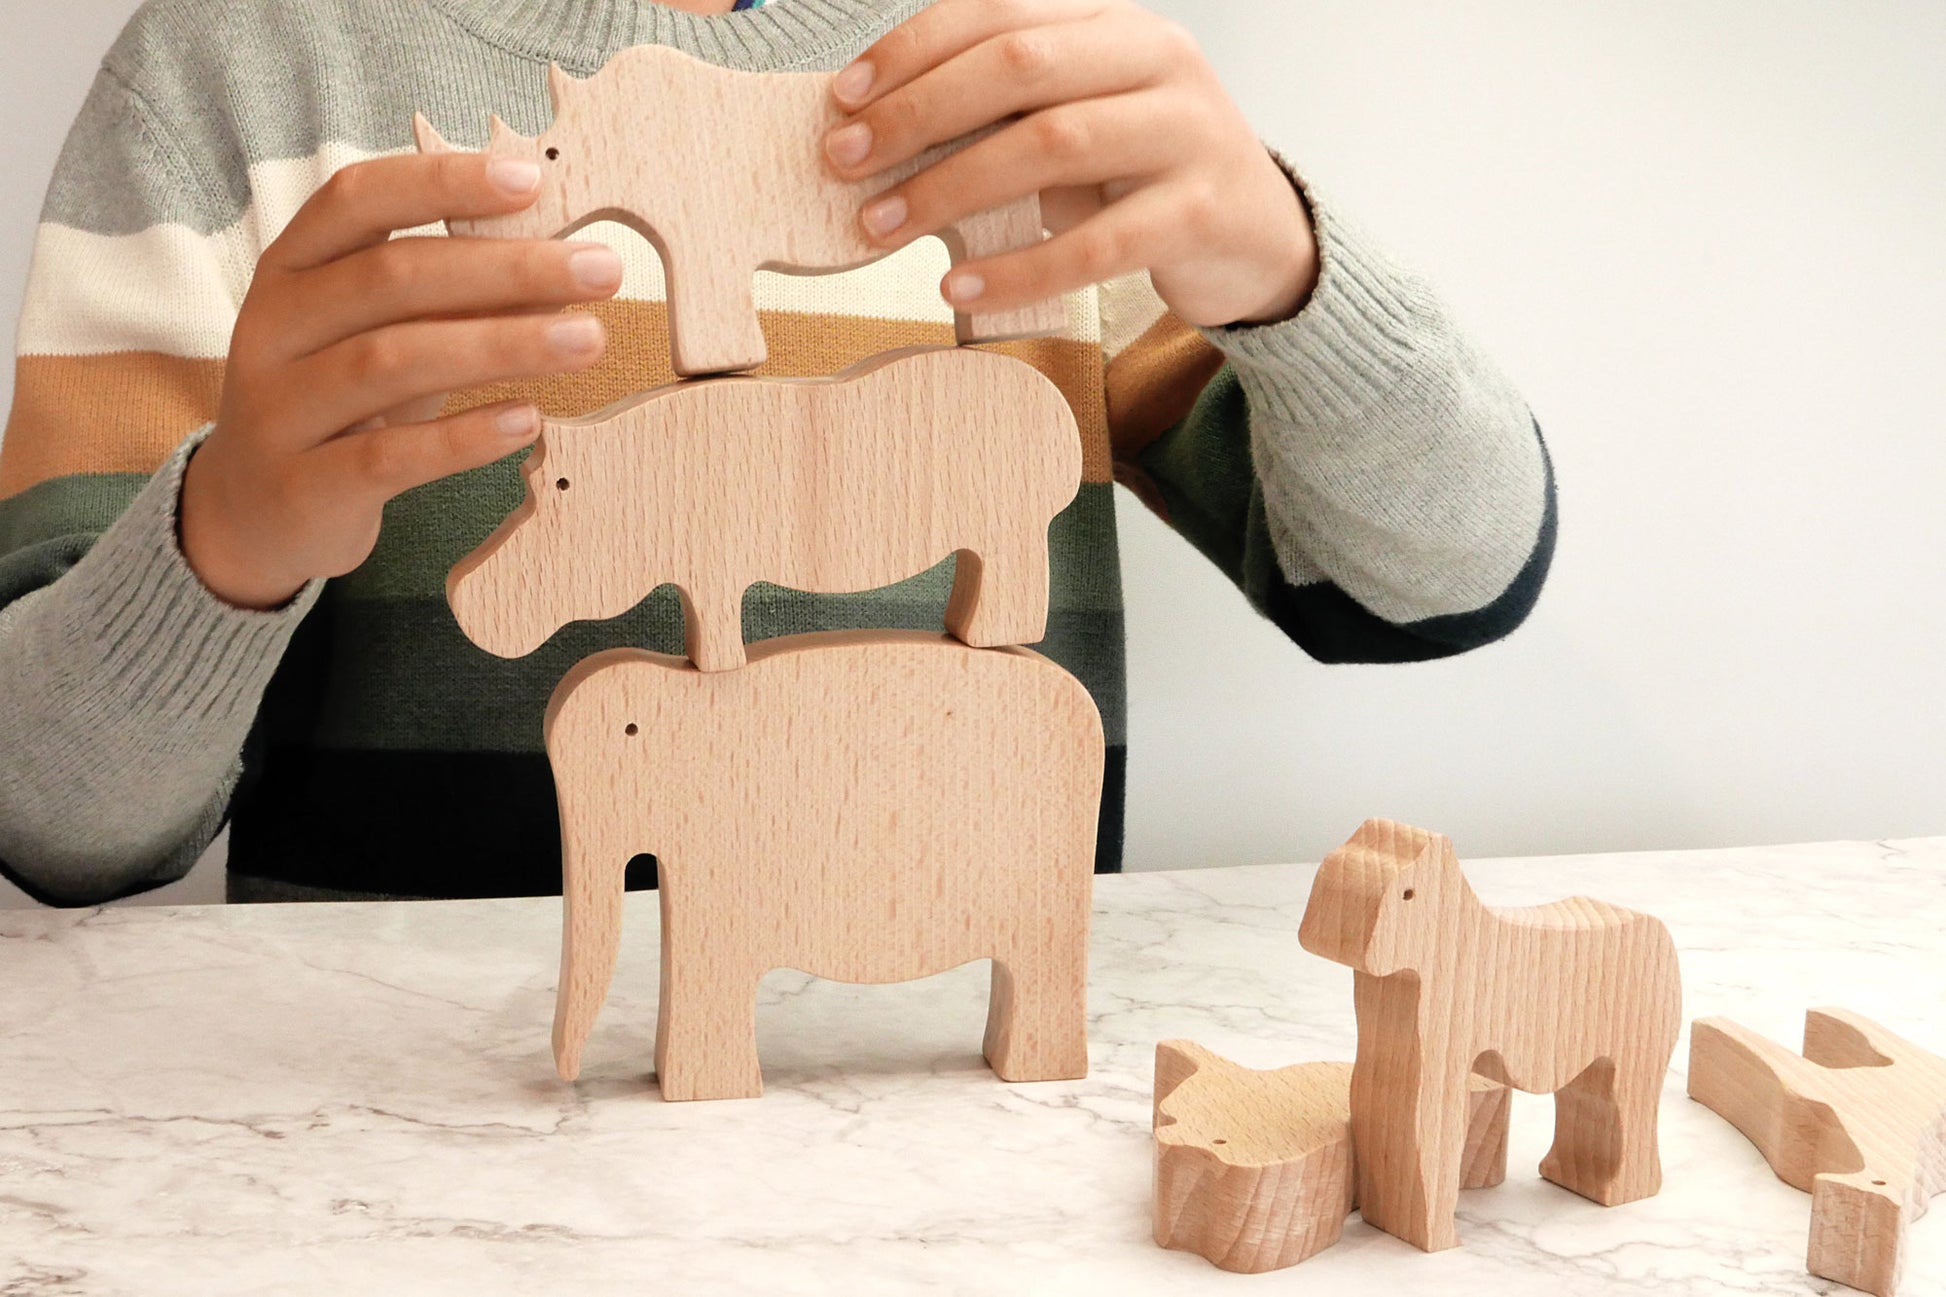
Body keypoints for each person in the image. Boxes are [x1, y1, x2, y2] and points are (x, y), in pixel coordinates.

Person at [0, 0, 1555, 905]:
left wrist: (1285, 271)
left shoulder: (1016, 85)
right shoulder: (240, 65)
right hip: (414, 1164)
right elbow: (51, 813)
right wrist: (229, 538)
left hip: (954, 1085)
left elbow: (1433, 575)